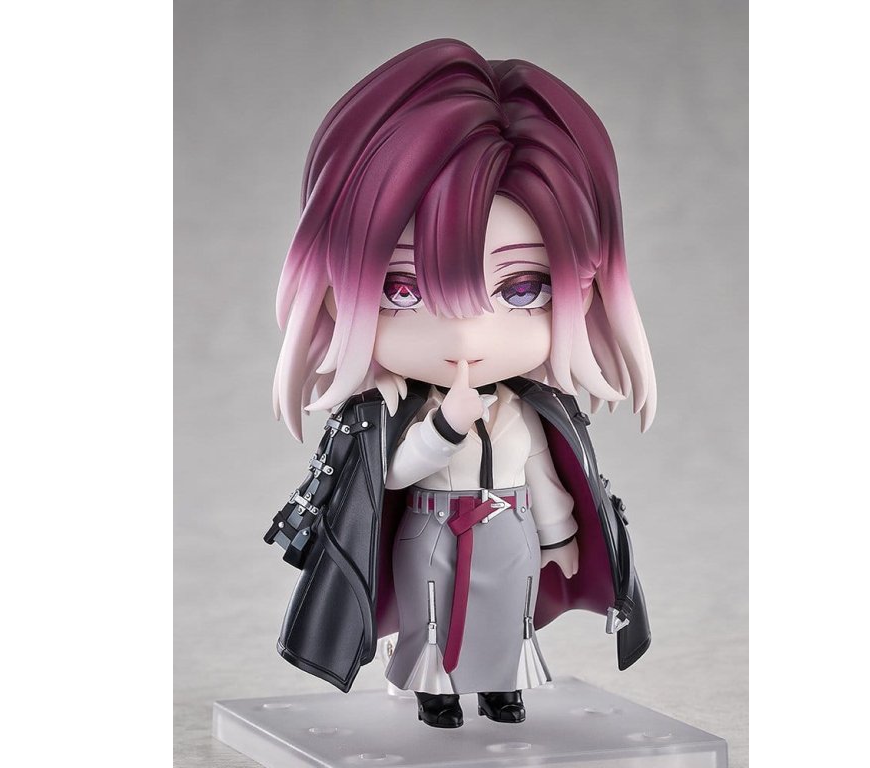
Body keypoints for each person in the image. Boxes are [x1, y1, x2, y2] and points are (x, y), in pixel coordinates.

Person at [266, 38, 656, 729]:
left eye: (523, 288)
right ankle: (437, 692)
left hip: (510, 524)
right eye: (404, 289)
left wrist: (560, 536)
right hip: (431, 524)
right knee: (432, 610)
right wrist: (443, 428)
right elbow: (391, 476)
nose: (468, 337)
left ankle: (503, 687)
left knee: (508, 609)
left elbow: (544, 476)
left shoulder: (527, 412)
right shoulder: (389, 412)